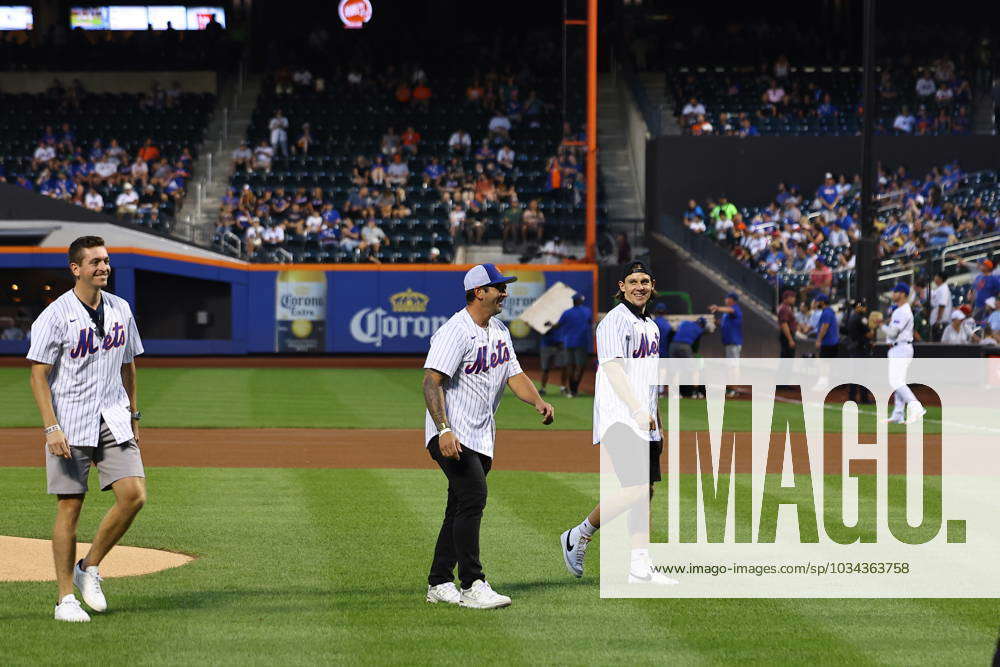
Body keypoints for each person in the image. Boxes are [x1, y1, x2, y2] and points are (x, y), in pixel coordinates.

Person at [27, 236, 146, 623]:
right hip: (70, 422)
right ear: (75, 269)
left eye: (106, 261)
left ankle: (89, 566)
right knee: (70, 507)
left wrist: (132, 415)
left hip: (112, 416)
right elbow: (38, 375)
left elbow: (129, 364)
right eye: (94, 261)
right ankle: (65, 599)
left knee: (134, 496)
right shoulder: (55, 315)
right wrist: (51, 428)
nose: (103, 267)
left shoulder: (120, 309)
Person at [422, 264, 554, 609]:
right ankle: (472, 583)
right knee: (474, 497)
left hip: (480, 435)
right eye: (499, 287)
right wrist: (444, 430)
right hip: (452, 433)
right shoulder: (455, 331)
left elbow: (515, 374)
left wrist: (538, 402)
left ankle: (439, 582)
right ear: (479, 291)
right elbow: (430, 381)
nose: (504, 293)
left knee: (459, 506)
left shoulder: (498, 329)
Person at [558, 262, 676, 585]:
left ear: (652, 286)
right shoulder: (613, 322)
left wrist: (657, 421)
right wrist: (637, 409)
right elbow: (612, 370)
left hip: (645, 421)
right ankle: (579, 533)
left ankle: (640, 567)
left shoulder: (651, 326)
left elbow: (650, 379)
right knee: (636, 488)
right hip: (619, 416)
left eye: (645, 281)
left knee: (645, 491)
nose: (640, 287)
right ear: (622, 286)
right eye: (633, 281)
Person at [882, 283, 926, 424]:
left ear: (903, 294)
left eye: (896, 292)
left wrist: (880, 325)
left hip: (901, 348)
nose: (893, 294)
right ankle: (898, 413)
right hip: (900, 348)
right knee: (899, 381)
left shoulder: (902, 311)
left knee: (895, 381)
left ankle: (916, 406)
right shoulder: (901, 310)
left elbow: (893, 333)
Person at [551, 293, 592, 397]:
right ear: (580, 301)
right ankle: (575, 389)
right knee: (580, 366)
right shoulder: (587, 311)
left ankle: (571, 389)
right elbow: (591, 323)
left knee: (570, 366)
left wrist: (550, 324)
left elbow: (558, 325)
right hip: (582, 342)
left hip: (568, 342)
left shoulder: (567, 312)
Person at [844, 299, 874, 404]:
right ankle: (864, 398)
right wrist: (873, 329)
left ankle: (852, 398)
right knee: (863, 375)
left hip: (853, 348)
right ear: (858, 307)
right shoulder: (861, 318)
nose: (864, 308)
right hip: (860, 349)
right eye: (863, 306)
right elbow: (869, 334)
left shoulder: (851, 317)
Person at [538, 324, 565, 396]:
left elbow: (564, 324)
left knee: (563, 367)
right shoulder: (542, 316)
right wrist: (547, 325)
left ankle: (563, 387)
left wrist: (554, 325)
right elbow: (540, 328)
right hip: (546, 345)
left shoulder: (560, 314)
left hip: (559, 344)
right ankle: (543, 388)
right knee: (545, 368)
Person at [928, 272, 952, 341]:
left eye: (936, 277)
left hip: (941, 323)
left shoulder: (943, 289)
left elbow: (942, 305)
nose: (934, 278)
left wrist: (938, 321)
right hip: (937, 322)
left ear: (940, 279)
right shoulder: (939, 288)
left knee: (937, 343)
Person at [777, 290, 797, 357]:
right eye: (793, 297)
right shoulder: (784, 309)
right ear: (788, 298)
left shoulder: (788, 307)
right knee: (787, 357)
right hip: (787, 336)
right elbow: (784, 324)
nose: (794, 299)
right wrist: (790, 339)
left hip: (788, 335)